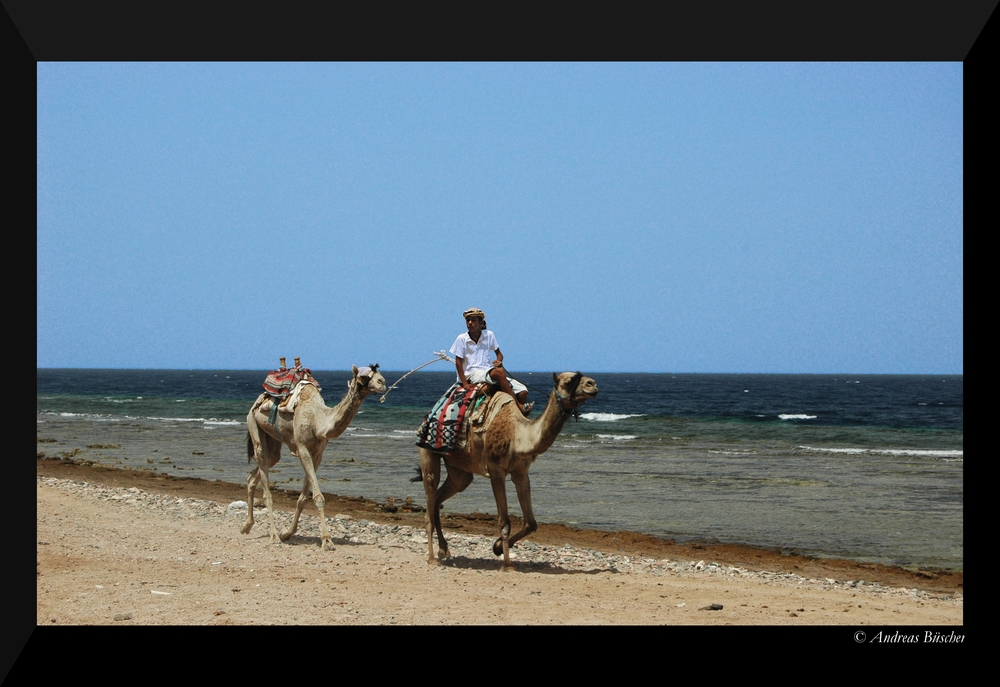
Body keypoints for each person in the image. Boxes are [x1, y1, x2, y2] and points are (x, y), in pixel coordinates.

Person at [450, 307, 533, 416]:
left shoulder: (489, 335)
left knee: (523, 391)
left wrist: (499, 361)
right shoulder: (461, 338)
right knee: (499, 372)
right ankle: (518, 406)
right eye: (468, 320)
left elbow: (499, 354)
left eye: (473, 320)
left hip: (486, 371)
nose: (470, 323)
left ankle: (517, 419)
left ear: (480, 323)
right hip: (471, 374)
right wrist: (465, 384)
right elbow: (458, 362)